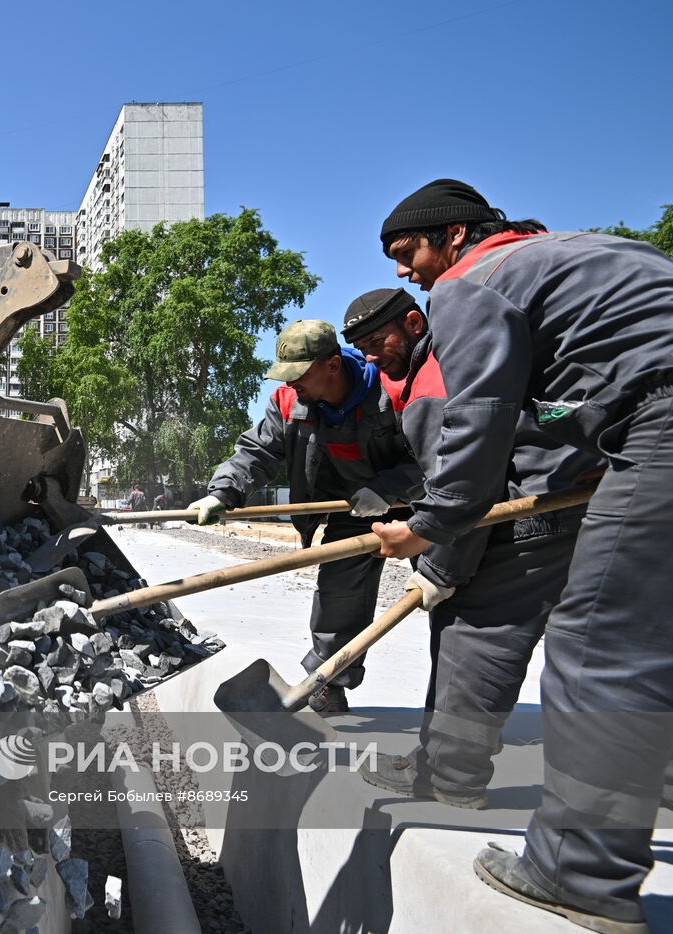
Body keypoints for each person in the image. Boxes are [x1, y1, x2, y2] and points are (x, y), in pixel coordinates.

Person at [372, 177, 673, 933]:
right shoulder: (579, 254)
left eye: (409, 252)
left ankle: (580, 873)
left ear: (454, 236)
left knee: (602, 644)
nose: (406, 271)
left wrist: (429, 527)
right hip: (646, 423)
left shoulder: (473, 284)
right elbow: (588, 387)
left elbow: (480, 425)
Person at [342, 285, 596, 808]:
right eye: (361, 344)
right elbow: (447, 475)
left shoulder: (435, 378)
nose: (370, 353)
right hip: (563, 500)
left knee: (473, 639)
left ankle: (448, 776)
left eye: (377, 338)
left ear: (414, 323)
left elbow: (467, 491)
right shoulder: (444, 363)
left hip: (531, 514)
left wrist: (438, 569)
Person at [190, 320, 423, 713]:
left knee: (446, 592)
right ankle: (328, 682)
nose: (291, 383)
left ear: (333, 365)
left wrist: (387, 490)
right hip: (350, 509)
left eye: (299, 373)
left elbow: (433, 456)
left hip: (419, 506)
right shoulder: (288, 401)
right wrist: (222, 492)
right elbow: (256, 452)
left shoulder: (393, 390)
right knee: (338, 595)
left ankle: (459, 702)